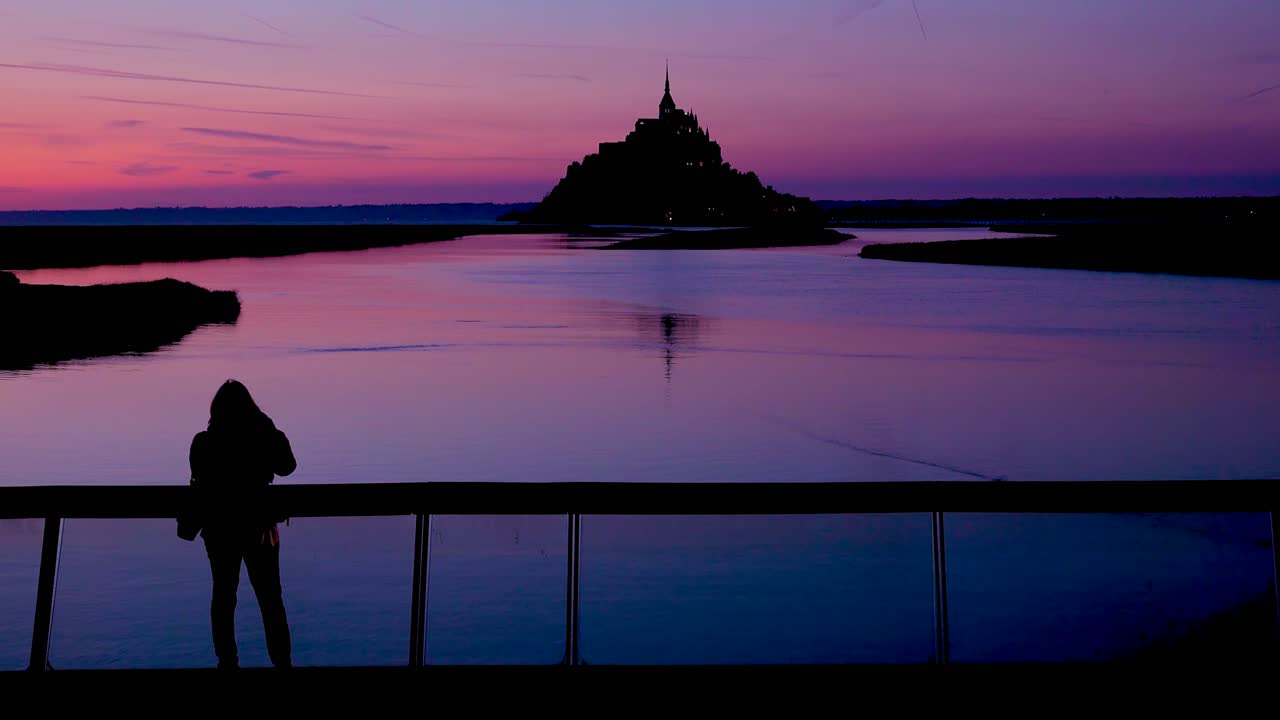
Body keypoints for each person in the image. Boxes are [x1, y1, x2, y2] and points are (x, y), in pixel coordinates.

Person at [189, 379, 297, 669]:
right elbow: (287, 466)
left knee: (224, 595)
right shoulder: (261, 437)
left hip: (219, 529)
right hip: (258, 528)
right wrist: (268, 427)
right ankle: (282, 663)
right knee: (270, 598)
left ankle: (227, 661)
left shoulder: (204, 443)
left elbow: (198, 476)